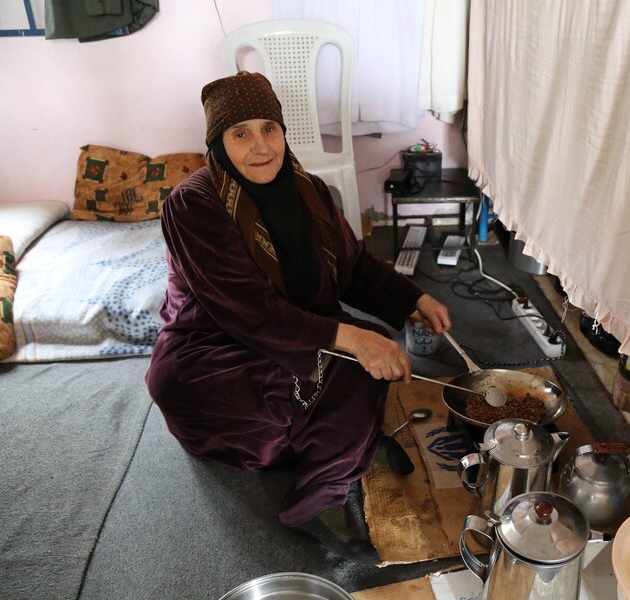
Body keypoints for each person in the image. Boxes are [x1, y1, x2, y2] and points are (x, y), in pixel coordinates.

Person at [145, 71, 451, 563]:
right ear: (218, 145)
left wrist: (412, 298)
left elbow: (354, 270)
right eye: (240, 133)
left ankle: (345, 450)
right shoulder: (193, 205)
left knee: (370, 350)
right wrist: (350, 340)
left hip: (288, 331)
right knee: (355, 368)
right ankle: (315, 501)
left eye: (269, 128)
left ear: (284, 132)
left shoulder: (311, 191)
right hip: (210, 357)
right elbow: (250, 313)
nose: (261, 146)